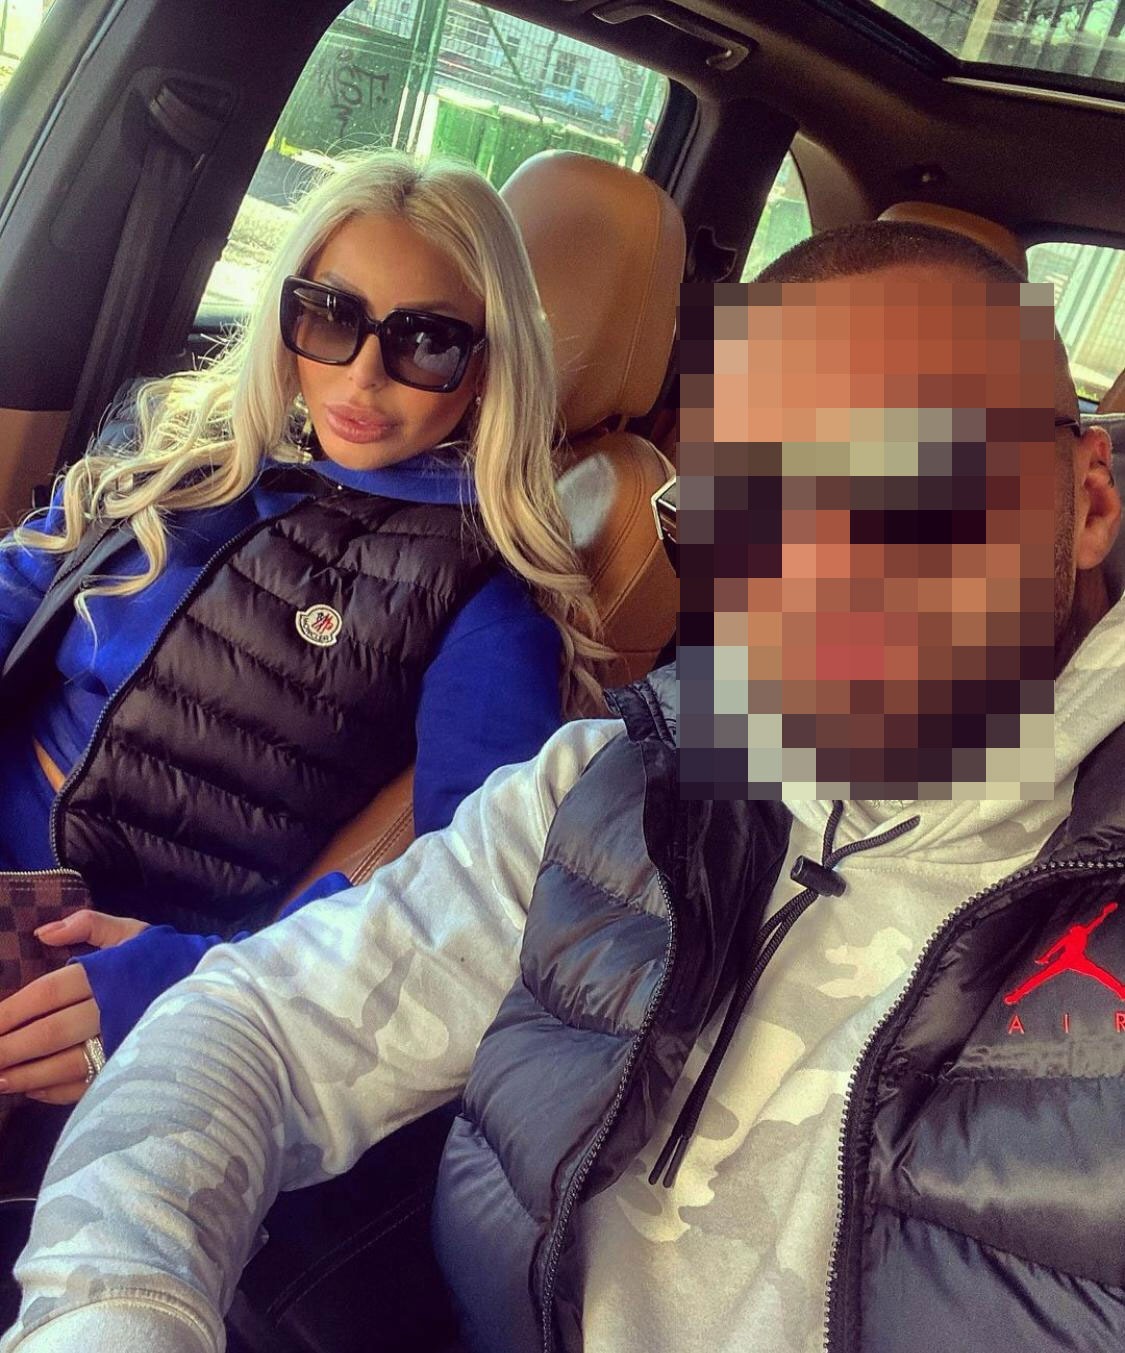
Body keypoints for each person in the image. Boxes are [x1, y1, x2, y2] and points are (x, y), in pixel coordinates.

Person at [3, 220, 1123, 1353]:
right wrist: (115, 1315)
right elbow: (259, 1024)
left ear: (1085, 506)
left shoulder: (488, 604)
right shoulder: (615, 780)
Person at [0, 149, 608, 1108]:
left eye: (425, 342)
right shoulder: (192, 454)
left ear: (485, 367)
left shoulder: (482, 600)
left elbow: (471, 899)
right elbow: (20, 583)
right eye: (329, 316)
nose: (361, 377)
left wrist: (199, 981)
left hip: (73, 942)